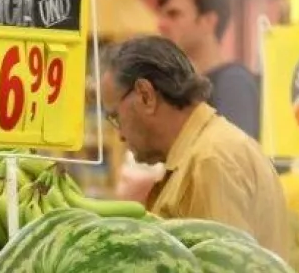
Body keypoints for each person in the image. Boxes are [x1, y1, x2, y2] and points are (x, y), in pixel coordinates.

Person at [101, 35, 289, 256]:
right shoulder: (202, 154)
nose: (120, 135)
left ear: (145, 95)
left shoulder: (211, 161)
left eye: (115, 117)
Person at [157, 0, 261, 140]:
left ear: (208, 21)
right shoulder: (185, 87)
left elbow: (233, 159)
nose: (161, 24)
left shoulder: (233, 82)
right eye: (161, 15)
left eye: (174, 14)